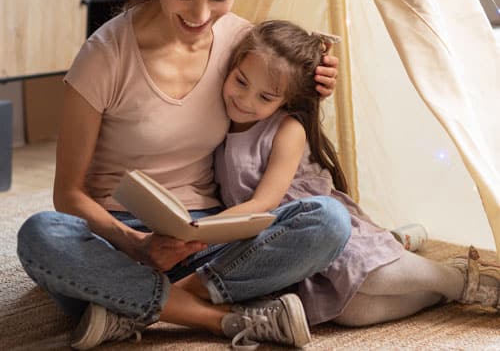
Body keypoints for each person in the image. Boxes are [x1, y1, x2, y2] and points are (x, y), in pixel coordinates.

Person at [16, 0, 352, 351]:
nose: (199, 17)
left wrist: (316, 81)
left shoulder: (241, 42)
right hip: (119, 242)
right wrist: (137, 246)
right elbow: (68, 195)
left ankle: (133, 307)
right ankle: (218, 320)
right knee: (41, 235)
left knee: (328, 222)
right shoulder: (104, 56)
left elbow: (278, 93)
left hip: (212, 238)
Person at [175, 19, 500, 330]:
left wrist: (198, 233)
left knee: (367, 275)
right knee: (349, 311)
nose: (244, 100)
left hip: (308, 223)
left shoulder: (287, 129)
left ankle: (462, 282)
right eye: (241, 82)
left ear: (287, 99)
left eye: (265, 97)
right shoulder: (217, 122)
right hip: (279, 243)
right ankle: (437, 288)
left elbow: (265, 203)